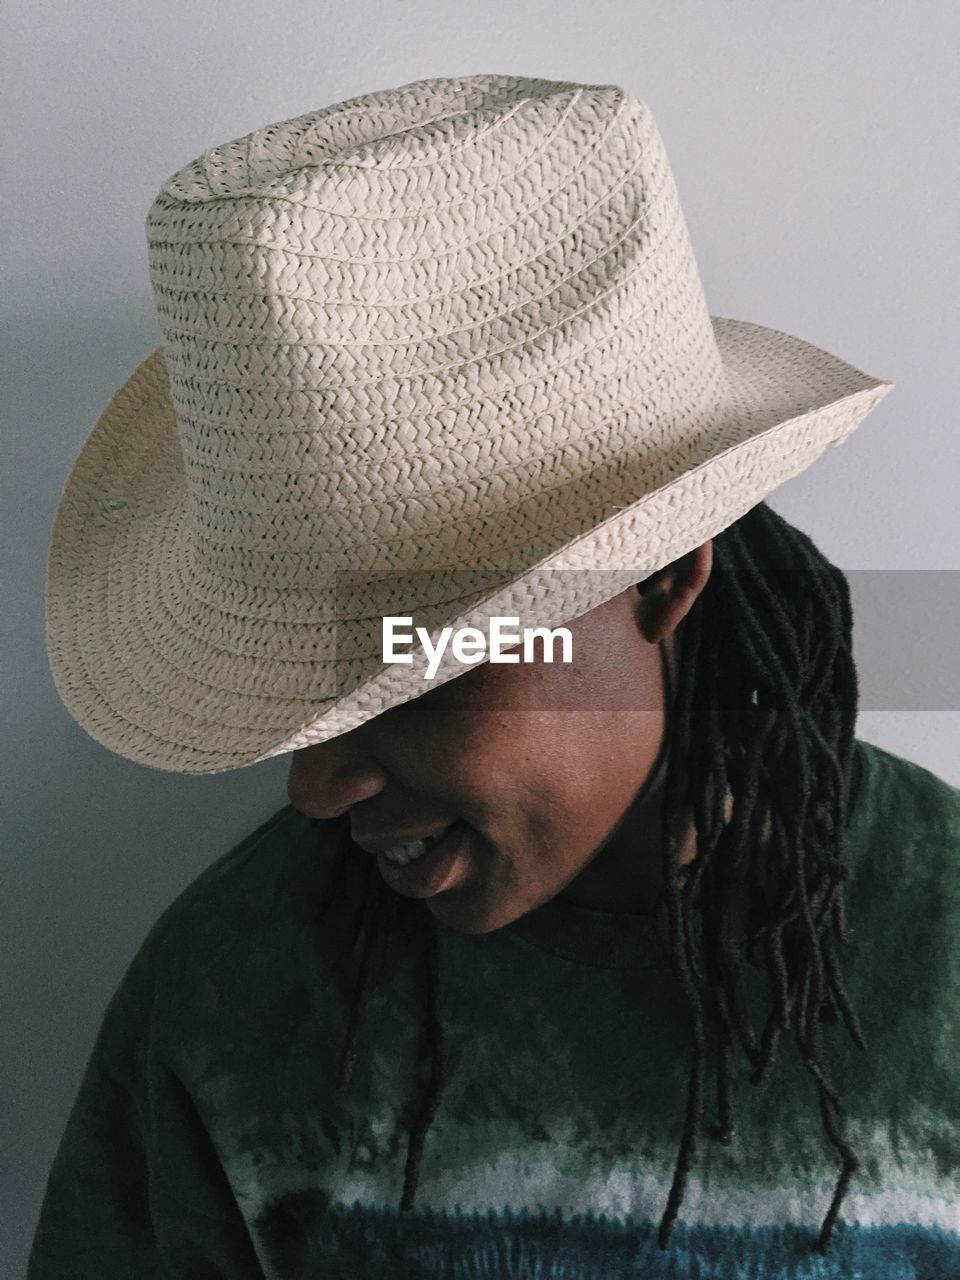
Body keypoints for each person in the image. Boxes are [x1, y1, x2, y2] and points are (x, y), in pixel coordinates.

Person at [30, 75, 960, 1276]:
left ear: (664, 576)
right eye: (305, 690)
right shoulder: (235, 995)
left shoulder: (938, 950)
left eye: (409, 667)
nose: (315, 784)